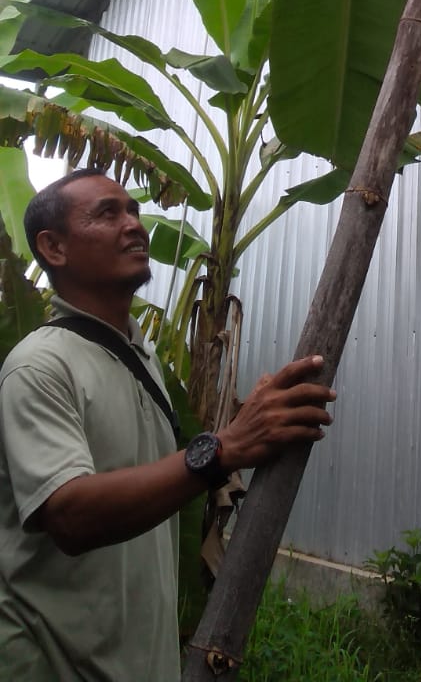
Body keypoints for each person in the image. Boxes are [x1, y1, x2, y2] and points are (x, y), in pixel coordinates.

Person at [0, 168, 336, 682]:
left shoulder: (143, 357)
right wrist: (221, 449)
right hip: (53, 663)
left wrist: (249, 425)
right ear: (54, 247)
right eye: (108, 213)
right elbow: (68, 514)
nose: (134, 224)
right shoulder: (40, 366)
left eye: (134, 210)